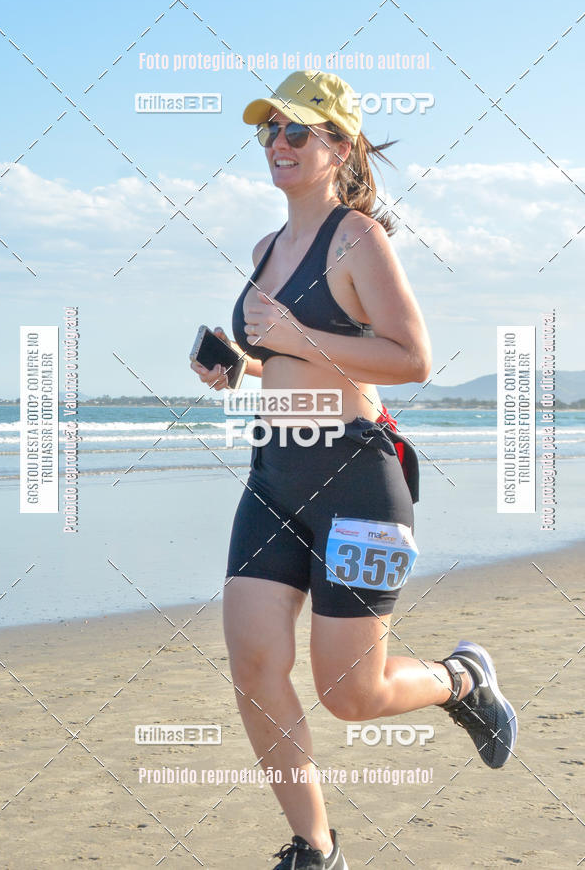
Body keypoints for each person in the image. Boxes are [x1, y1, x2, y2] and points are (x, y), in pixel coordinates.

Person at [191, 70, 517, 870]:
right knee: (254, 666)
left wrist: (296, 338)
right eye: (270, 130)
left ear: (339, 148)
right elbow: (291, 360)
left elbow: (411, 358)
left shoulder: (357, 238)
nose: (279, 143)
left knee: (351, 695)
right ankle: (316, 848)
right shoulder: (266, 249)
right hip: (275, 477)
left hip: (360, 484)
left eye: (297, 131)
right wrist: (242, 366)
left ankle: (462, 680)